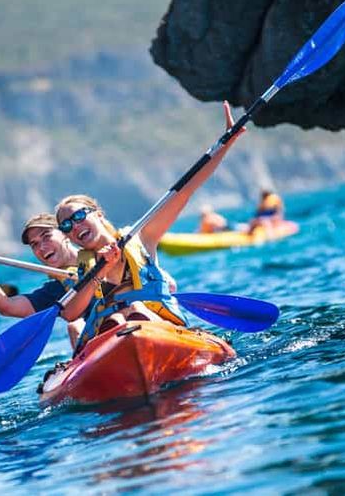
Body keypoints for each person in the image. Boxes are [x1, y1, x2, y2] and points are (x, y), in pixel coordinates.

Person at [56, 101, 246, 349]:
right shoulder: (85, 268)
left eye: (79, 216)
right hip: (111, 337)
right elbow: (70, 314)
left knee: (136, 309)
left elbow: (184, 191)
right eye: (66, 226)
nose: (74, 226)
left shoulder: (143, 238)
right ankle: (121, 334)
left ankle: (134, 328)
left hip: (155, 325)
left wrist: (226, 142)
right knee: (112, 318)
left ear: (98, 214)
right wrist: (100, 271)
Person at [0, 214, 86, 348]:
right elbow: (7, 307)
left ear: (65, 233)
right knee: (75, 327)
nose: (42, 248)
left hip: (112, 319)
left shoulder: (101, 253)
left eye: (46, 237)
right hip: (96, 337)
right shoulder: (56, 290)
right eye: (34, 244)